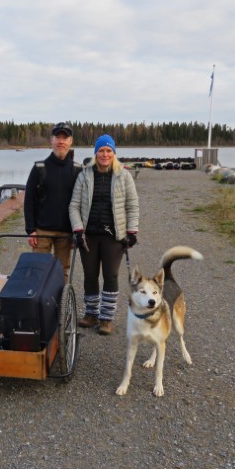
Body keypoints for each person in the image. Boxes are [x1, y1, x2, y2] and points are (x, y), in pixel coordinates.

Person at [69, 134, 139, 335]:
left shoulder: (123, 176)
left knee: (111, 275)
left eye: (109, 150)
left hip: (113, 236)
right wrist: (78, 229)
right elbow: (74, 205)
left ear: (114, 153)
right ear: (95, 153)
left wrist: (132, 231)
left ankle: (106, 318)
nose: (105, 154)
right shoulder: (84, 175)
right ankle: (91, 314)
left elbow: (133, 206)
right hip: (88, 235)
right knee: (90, 275)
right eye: (101, 150)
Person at [24, 122, 82, 282]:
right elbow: (29, 200)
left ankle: (60, 306)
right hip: (41, 232)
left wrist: (78, 232)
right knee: (38, 272)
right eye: (58, 137)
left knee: (62, 272)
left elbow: (83, 203)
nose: (61, 141)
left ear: (71, 141)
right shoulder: (39, 168)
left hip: (66, 232)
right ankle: (37, 304)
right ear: (51, 140)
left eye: (65, 137)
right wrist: (30, 229)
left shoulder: (78, 170)